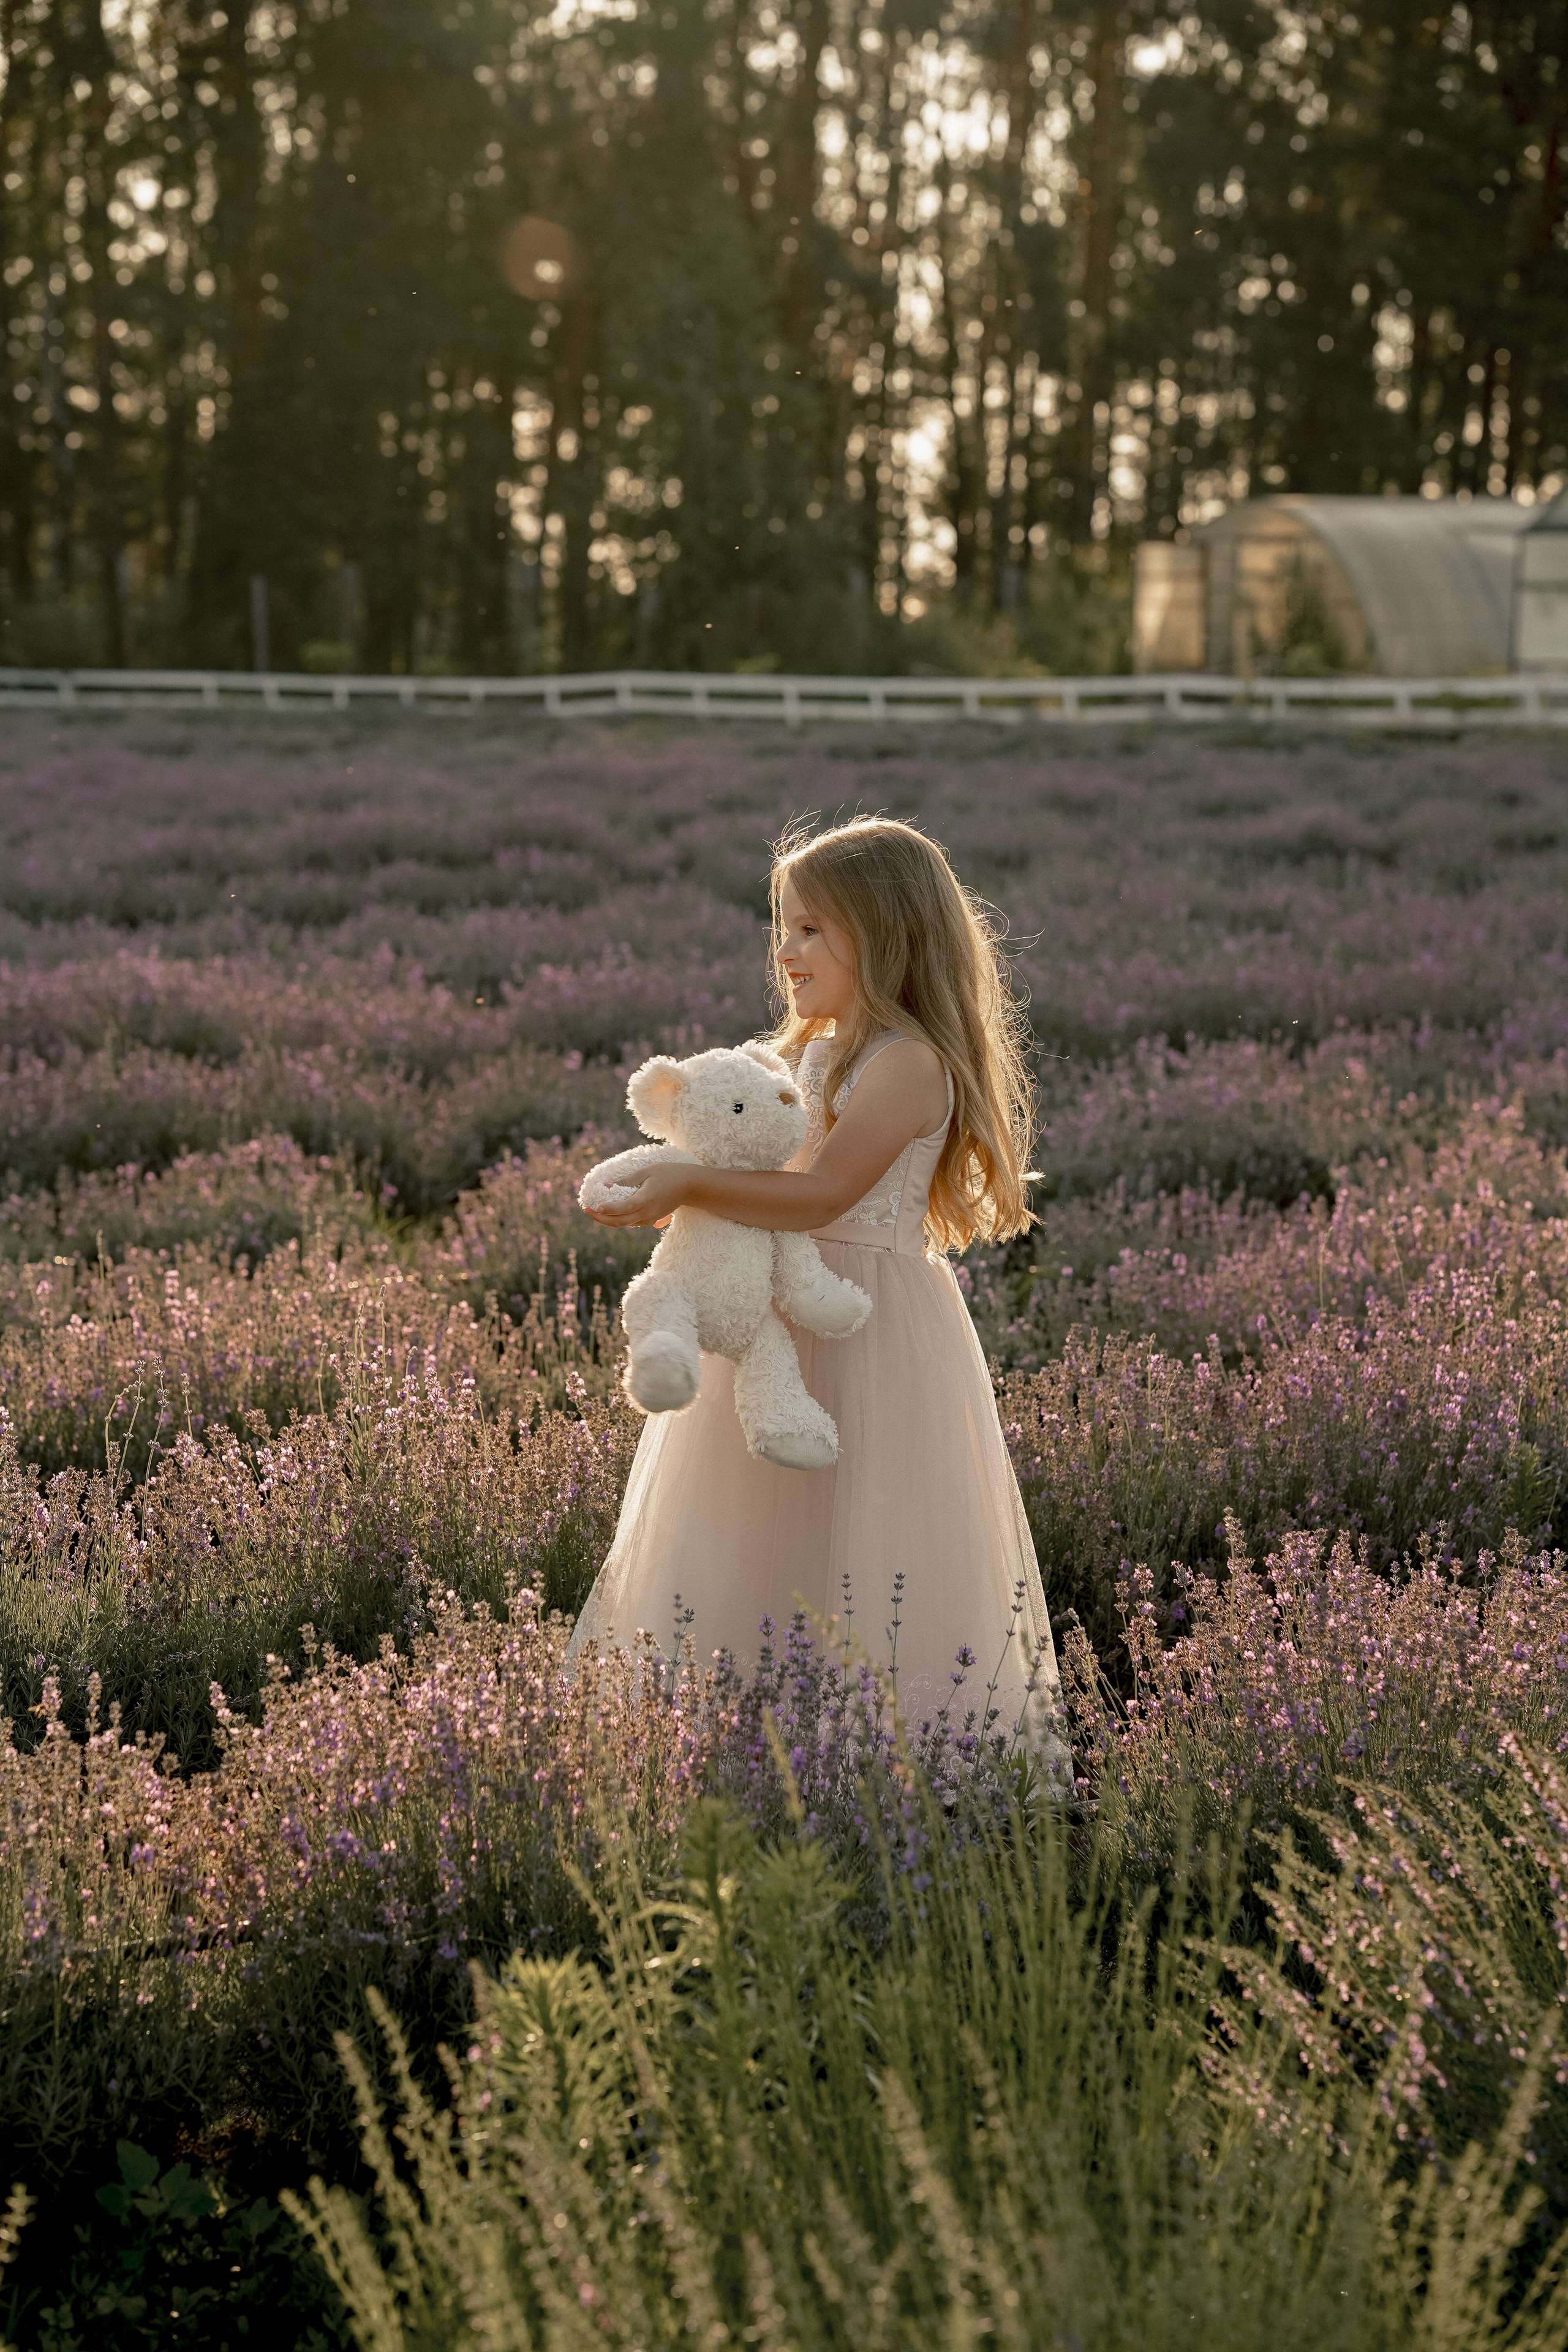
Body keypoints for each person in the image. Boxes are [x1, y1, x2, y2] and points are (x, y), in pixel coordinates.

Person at [571, 814, 1060, 1740]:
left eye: (812, 929)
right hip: (772, 1323)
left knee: (870, 1544)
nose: (786, 951)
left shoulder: (907, 1063)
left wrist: (685, 1181)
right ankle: (743, 1744)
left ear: (885, 935)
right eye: (783, 926)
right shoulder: (802, 1056)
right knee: (751, 1538)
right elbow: (751, 1157)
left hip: (867, 1328)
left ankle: (883, 1755)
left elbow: (824, 1194)